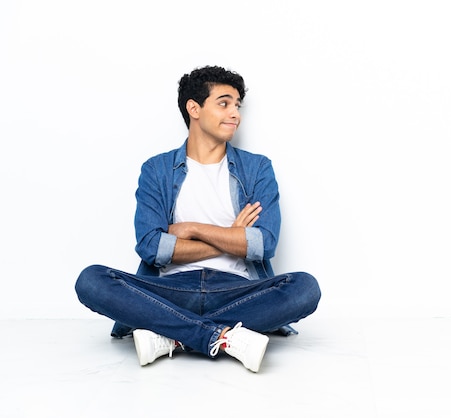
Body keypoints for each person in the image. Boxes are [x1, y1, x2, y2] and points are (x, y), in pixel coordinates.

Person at [75, 65, 321, 373]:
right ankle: (219, 336)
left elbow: (263, 243)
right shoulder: (157, 170)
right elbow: (153, 248)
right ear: (194, 108)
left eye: (237, 106)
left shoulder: (257, 169)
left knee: (305, 288)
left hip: (237, 291)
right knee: (91, 280)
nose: (235, 114)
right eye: (224, 103)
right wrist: (232, 236)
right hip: (169, 292)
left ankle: (173, 335)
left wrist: (191, 229)